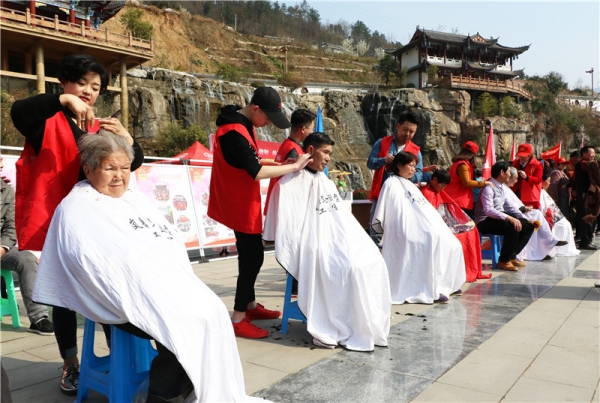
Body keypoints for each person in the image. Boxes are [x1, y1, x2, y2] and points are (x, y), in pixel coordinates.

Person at [34, 131, 255, 403]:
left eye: (125, 168)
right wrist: (145, 282)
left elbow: (166, 242)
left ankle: (194, 387)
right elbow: (92, 263)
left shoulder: (134, 200)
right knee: (182, 327)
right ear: (88, 170)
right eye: (110, 168)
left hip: (162, 286)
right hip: (120, 297)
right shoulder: (76, 207)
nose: (119, 176)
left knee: (214, 313)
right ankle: (162, 396)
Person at [10, 53, 144, 395]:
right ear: (64, 83)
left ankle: (118, 354)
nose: (88, 91)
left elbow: (131, 162)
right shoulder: (45, 121)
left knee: (109, 289)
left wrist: (128, 139)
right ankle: (70, 363)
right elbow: (19, 111)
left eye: (95, 87)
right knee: (65, 297)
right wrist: (61, 101)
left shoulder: (99, 128)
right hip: (60, 225)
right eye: (81, 83)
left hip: (100, 224)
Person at [264, 132, 391, 351]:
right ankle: (345, 319)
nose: (329, 158)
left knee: (373, 260)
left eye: (330, 153)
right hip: (312, 244)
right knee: (351, 268)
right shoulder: (289, 183)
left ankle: (362, 320)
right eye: (325, 152)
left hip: (335, 240)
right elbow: (290, 228)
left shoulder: (326, 182)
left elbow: (340, 221)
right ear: (310, 151)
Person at [208, 86, 311, 339]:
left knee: (249, 255)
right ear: (255, 108)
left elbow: (251, 161)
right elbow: (255, 171)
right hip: (238, 202)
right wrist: (294, 167)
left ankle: (250, 305)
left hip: (243, 199)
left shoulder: (243, 124)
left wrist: (280, 164)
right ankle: (238, 318)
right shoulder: (233, 132)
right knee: (253, 258)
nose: (268, 123)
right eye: (267, 117)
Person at [372, 152, 465, 304]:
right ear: (399, 165)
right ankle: (428, 288)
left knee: (452, 243)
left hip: (420, 225)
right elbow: (392, 211)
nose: (414, 169)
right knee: (431, 240)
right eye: (410, 165)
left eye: (415, 166)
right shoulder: (390, 184)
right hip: (403, 229)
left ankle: (447, 284)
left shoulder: (410, 185)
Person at [0, 155, 53, 335]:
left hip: (1, 248)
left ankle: (38, 318)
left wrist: (2, 248)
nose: (1, 163)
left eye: (1, 160)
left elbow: (10, 228)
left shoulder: (6, 190)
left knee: (27, 258)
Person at [367, 112, 436, 244]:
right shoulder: (382, 143)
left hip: (403, 198)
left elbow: (419, 174)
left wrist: (404, 172)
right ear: (398, 126)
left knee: (401, 230)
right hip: (381, 194)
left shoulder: (416, 151)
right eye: (405, 129)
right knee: (376, 230)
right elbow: (370, 163)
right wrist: (383, 160)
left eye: (412, 132)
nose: (408, 134)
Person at [421, 169, 491, 282]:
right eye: (442, 185)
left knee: (472, 229)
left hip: (445, 221)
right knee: (461, 236)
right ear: (434, 180)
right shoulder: (426, 192)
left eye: (445, 186)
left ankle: (468, 269)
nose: (443, 189)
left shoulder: (437, 191)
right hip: (434, 225)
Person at [474, 162, 535, 271]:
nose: (510, 174)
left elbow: (510, 207)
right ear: (502, 173)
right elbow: (488, 210)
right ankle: (503, 260)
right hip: (484, 221)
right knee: (513, 225)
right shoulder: (489, 188)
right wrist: (509, 218)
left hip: (497, 218)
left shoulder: (501, 187)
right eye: (508, 172)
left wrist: (526, 219)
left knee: (528, 226)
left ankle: (512, 255)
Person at [502, 167, 568, 261]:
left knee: (537, 214)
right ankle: (542, 244)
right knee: (534, 218)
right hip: (510, 214)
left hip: (517, 211)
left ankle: (546, 243)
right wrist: (523, 208)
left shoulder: (506, 188)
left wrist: (524, 208)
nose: (516, 181)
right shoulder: (502, 188)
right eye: (515, 178)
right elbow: (508, 206)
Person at [264, 108, 316, 215]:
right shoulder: (293, 150)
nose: (312, 132)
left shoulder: (287, 144)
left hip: (276, 204)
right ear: (303, 129)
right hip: (283, 208)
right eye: (312, 129)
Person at [444, 141, 491, 217]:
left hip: (455, 200)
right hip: (458, 201)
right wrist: (484, 183)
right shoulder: (463, 165)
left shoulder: (459, 163)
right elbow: (466, 182)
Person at [539, 173, 580, 257]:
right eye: (548, 181)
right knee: (563, 225)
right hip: (548, 216)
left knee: (566, 224)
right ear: (542, 181)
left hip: (555, 215)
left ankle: (561, 248)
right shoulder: (540, 193)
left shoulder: (544, 192)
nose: (549, 183)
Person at [574, 146, 598, 250]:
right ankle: (585, 241)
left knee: (589, 216)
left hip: (588, 194)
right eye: (591, 153)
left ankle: (587, 240)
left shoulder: (586, 164)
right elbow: (592, 166)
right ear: (584, 154)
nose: (594, 155)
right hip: (585, 195)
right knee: (587, 216)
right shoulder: (583, 164)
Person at [511, 143, 544, 209]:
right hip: (515, 193)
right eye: (520, 156)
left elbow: (538, 180)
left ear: (530, 155)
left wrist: (526, 177)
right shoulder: (515, 163)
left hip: (529, 197)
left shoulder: (537, 164)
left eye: (524, 156)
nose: (521, 158)